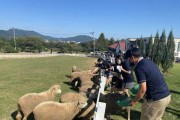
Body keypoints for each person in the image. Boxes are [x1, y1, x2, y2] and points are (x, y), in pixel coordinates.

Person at [126, 47, 171, 120]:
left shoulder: (139, 67)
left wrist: (134, 101)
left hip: (155, 99)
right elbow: (153, 77)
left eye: (129, 59)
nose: (129, 61)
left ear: (132, 57)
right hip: (166, 96)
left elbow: (143, 89)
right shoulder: (149, 61)